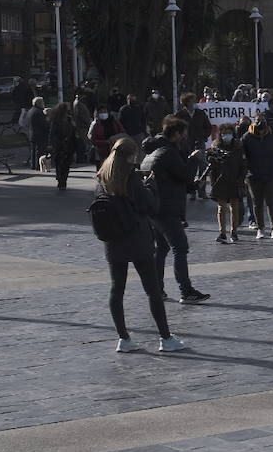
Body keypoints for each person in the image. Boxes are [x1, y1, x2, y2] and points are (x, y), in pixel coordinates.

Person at [95, 137, 186, 353]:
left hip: (113, 239)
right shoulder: (131, 177)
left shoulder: (101, 176)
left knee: (117, 289)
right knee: (152, 290)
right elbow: (150, 207)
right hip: (136, 238)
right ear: (130, 155)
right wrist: (151, 187)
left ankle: (123, 338)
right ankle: (165, 338)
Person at [140, 117, 210, 303]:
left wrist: (191, 185)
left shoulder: (151, 152)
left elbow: (173, 180)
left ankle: (156, 289)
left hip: (155, 208)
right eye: (183, 134)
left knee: (161, 248)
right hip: (167, 210)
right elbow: (185, 174)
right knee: (180, 247)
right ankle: (186, 291)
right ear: (176, 134)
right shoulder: (168, 152)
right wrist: (194, 160)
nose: (185, 137)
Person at [242, 117, 273, 240]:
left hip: (271, 173)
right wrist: (249, 167)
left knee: (271, 202)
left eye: (263, 129)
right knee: (257, 203)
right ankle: (260, 228)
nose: (261, 132)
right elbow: (243, 155)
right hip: (253, 176)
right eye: (259, 129)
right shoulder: (246, 137)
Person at [206, 123, 247, 243]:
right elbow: (212, 167)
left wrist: (240, 179)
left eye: (229, 133)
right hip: (220, 181)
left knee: (234, 208)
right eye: (224, 133)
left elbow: (243, 165)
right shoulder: (216, 147)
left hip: (235, 181)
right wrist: (213, 181)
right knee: (221, 208)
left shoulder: (238, 147)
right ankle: (222, 232)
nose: (226, 136)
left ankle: (234, 232)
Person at [48, 101, 78, 191]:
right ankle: (60, 178)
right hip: (59, 145)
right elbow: (52, 133)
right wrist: (52, 144)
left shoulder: (70, 119)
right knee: (59, 163)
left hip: (69, 144)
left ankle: (63, 180)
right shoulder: (56, 121)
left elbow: (74, 131)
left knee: (66, 164)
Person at [21, 97, 48, 170]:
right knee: (39, 151)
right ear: (39, 103)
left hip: (32, 134)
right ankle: (38, 166)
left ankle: (33, 165)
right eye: (42, 102)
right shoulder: (39, 112)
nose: (43, 104)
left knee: (33, 151)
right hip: (39, 135)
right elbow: (43, 124)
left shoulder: (31, 111)